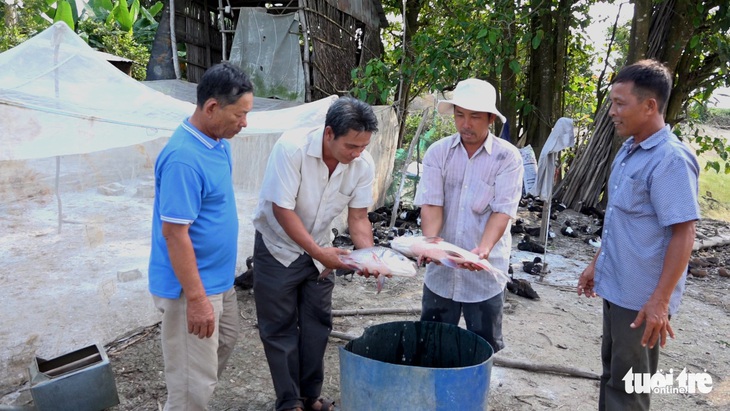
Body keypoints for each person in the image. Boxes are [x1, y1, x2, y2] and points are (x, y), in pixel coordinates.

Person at [577, 59, 700, 410]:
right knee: (611, 374)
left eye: (620, 103)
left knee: (629, 388)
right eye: (611, 103)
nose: (612, 112)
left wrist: (660, 302)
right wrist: (595, 265)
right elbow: (619, 220)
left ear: (650, 106)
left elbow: (684, 233)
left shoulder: (670, 161)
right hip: (617, 285)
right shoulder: (629, 152)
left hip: (643, 301)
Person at [252, 96, 379, 411]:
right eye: (351, 146)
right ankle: (289, 401)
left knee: (317, 322)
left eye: (363, 146)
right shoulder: (291, 149)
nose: (357, 153)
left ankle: (310, 397)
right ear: (328, 134)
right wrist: (320, 254)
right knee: (279, 326)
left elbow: (359, 217)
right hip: (278, 246)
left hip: (322, 246)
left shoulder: (362, 164)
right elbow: (283, 210)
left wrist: (369, 256)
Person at [148, 62, 254, 411]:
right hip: (191, 287)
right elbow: (175, 235)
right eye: (240, 115)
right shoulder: (183, 159)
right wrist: (196, 299)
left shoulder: (217, 143)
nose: (244, 123)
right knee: (192, 384)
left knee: (224, 342)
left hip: (218, 279)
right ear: (212, 107)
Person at [414, 78, 524, 353]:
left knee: (482, 348)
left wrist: (483, 249)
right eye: (460, 115)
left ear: (490, 118)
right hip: (442, 272)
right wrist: (431, 242)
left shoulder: (507, 158)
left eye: (475, 116)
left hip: (485, 274)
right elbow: (432, 204)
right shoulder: (438, 153)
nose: (466, 124)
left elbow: (502, 211)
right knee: (433, 343)